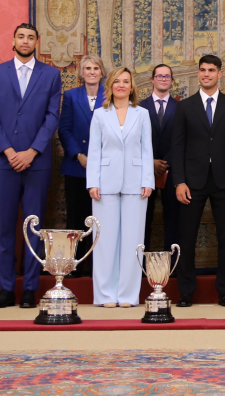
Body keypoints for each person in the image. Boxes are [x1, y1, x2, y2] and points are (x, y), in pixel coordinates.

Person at [0, 23, 62, 309]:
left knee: (34, 227)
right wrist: (8, 150)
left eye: (30, 37)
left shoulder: (51, 75)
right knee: (5, 227)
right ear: (13, 40)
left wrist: (31, 152)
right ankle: (6, 289)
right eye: (21, 36)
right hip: (4, 163)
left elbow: (52, 117)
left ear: (37, 42)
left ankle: (29, 288)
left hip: (36, 162)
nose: (25, 41)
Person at [171, 55, 225, 308]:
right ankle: (185, 292)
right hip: (192, 183)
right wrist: (179, 181)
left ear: (219, 74)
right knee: (186, 239)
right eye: (202, 70)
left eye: (211, 70)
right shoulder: (185, 106)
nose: (206, 74)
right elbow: (177, 147)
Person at [86, 67, 154, 307]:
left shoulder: (142, 114)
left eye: (126, 81)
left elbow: (147, 150)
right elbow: (94, 151)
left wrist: (148, 181)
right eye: (117, 81)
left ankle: (127, 295)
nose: (122, 85)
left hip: (136, 183)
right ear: (110, 85)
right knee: (104, 242)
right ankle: (105, 295)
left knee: (133, 241)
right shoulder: (100, 115)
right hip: (105, 182)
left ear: (132, 86)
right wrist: (92, 182)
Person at [58, 55, 105, 277]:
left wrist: (98, 157)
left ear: (102, 72)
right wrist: (79, 154)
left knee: (100, 219)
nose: (92, 72)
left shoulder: (111, 95)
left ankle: (97, 268)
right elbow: (64, 129)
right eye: (87, 68)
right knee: (76, 217)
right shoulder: (70, 96)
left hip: (105, 167)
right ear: (81, 73)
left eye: (96, 68)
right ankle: (75, 268)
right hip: (77, 167)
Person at [139, 64, 180, 252]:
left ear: (172, 80)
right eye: (160, 76)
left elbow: (183, 139)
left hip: (173, 171)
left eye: (167, 76)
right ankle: (140, 265)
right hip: (144, 170)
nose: (163, 79)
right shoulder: (139, 107)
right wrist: (151, 162)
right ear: (152, 79)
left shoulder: (181, 108)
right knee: (143, 219)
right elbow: (135, 140)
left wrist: (166, 162)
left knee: (173, 218)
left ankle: (171, 266)